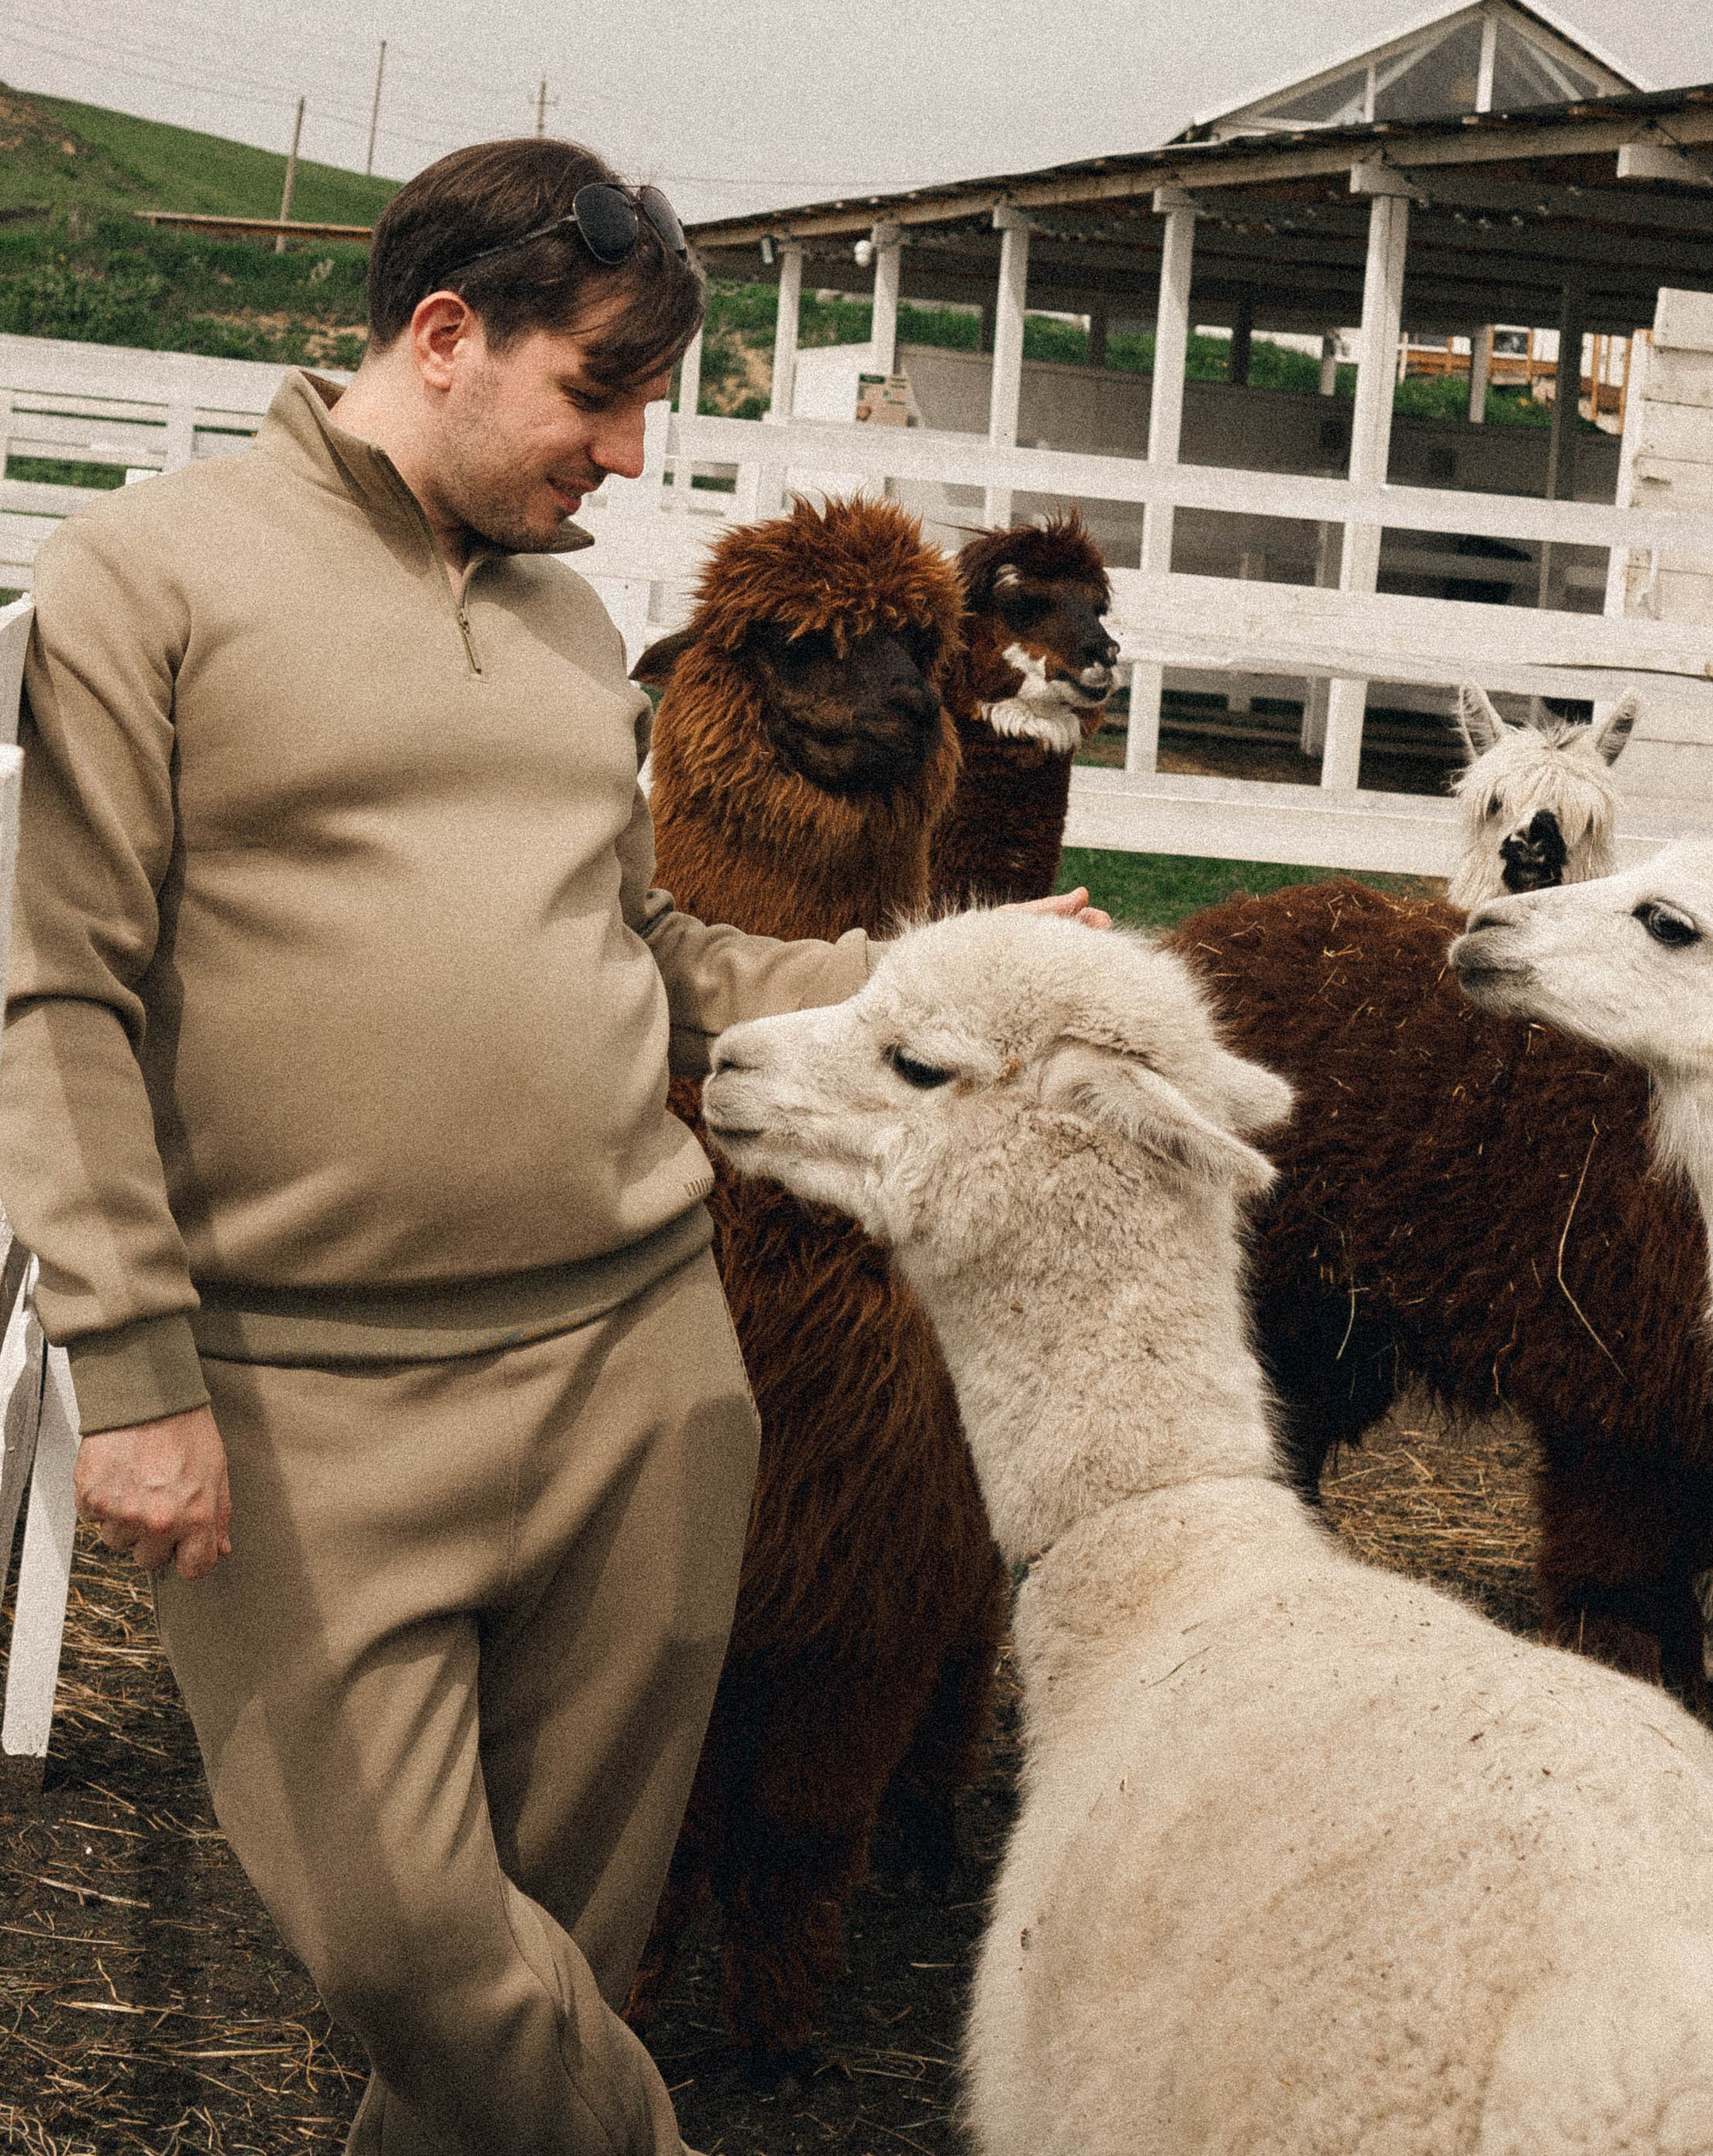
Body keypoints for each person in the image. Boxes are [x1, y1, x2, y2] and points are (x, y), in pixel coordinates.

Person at [0, 137, 1106, 2156]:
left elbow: (652, 946)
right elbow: (59, 993)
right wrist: (130, 1367)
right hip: (303, 1396)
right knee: (420, 1956)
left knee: (541, 1995)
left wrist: (921, 987)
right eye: (596, 389)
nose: (622, 449)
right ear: (445, 334)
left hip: (638, 1371)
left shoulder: (570, 639)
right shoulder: (143, 582)